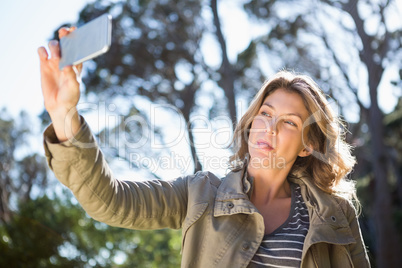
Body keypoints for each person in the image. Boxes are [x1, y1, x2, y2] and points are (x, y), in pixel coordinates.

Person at [38, 28, 371, 268]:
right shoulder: (200, 195)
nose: (269, 127)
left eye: (288, 122)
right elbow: (108, 201)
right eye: (265, 114)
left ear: (307, 146)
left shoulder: (335, 214)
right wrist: (63, 113)